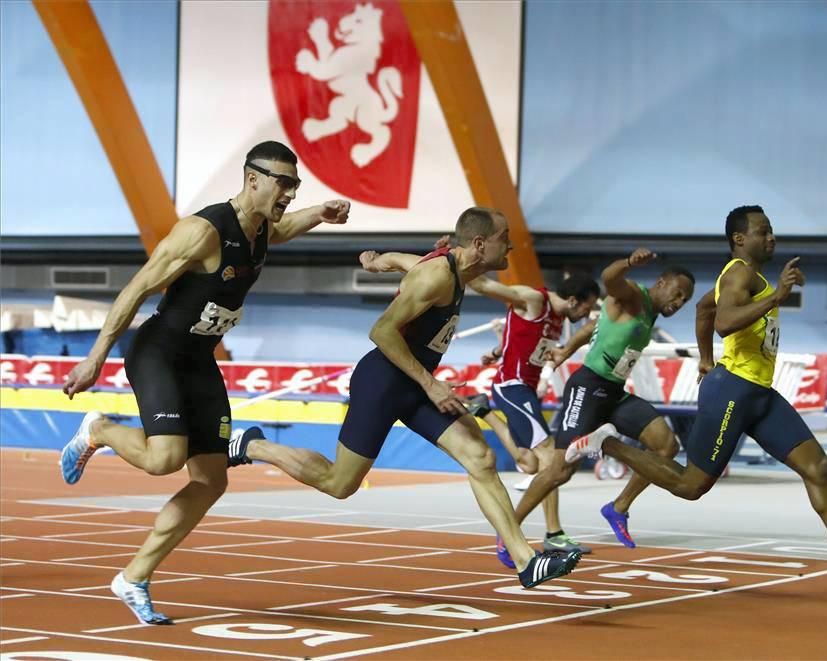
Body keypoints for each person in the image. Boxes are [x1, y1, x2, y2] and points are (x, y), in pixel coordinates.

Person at [58, 141, 351, 624]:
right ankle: (100, 430)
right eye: (284, 183)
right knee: (164, 460)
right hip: (159, 354)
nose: (290, 193)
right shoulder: (202, 232)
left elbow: (283, 230)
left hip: (198, 361)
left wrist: (318, 212)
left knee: (211, 481)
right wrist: (95, 358)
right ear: (252, 178)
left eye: (295, 185)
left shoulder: (261, 228)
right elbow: (137, 288)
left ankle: (133, 578)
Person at [228, 207, 583, 588]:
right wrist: (431, 384)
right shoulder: (436, 275)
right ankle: (255, 444)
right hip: (382, 382)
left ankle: (525, 561)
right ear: (480, 244)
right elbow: (381, 331)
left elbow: (403, 261)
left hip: (414, 384)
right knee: (339, 483)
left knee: (480, 456)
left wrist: (378, 261)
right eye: (505, 238)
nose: (511, 245)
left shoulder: (455, 271)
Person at [565, 205, 827, 587]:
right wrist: (777, 296)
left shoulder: (748, 277)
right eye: (763, 231)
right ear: (739, 240)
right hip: (732, 390)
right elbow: (726, 322)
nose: (771, 237)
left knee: (818, 468)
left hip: (758, 392)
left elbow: (703, 310)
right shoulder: (740, 273)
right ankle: (608, 443)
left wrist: (706, 361)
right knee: (691, 486)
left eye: (772, 230)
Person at [364, 251, 602, 563]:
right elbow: (487, 287)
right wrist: (455, 263)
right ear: (574, 300)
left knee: (529, 463)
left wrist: (497, 349)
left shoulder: (555, 318)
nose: (585, 315)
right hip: (512, 387)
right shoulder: (533, 299)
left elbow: (524, 336)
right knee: (550, 460)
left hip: (525, 389)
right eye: (586, 307)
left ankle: (484, 412)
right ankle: (546, 534)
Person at [496, 250, 694, 565]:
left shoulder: (650, 314)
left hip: (614, 393)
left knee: (666, 445)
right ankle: (508, 530)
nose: (680, 302)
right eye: (678, 293)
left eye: (685, 300)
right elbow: (609, 278)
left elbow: (592, 327)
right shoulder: (632, 297)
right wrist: (629, 263)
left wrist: (564, 350)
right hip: (588, 388)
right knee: (559, 471)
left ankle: (618, 507)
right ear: (661, 283)